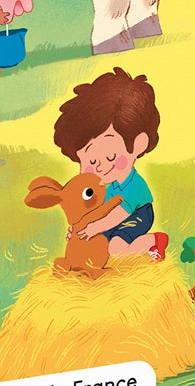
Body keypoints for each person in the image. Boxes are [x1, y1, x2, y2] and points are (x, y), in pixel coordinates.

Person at [50, 68, 170, 261]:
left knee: (115, 248)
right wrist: (79, 228)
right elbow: (91, 210)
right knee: (94, 244)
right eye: (91, 161)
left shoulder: (133, 186)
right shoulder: (99, 186)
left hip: (136, 214)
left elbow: (119, 214)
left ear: (138, 145)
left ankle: (154, 241)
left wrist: (95, 227)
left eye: (111, 156)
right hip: (108, 216)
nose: (100, 167)